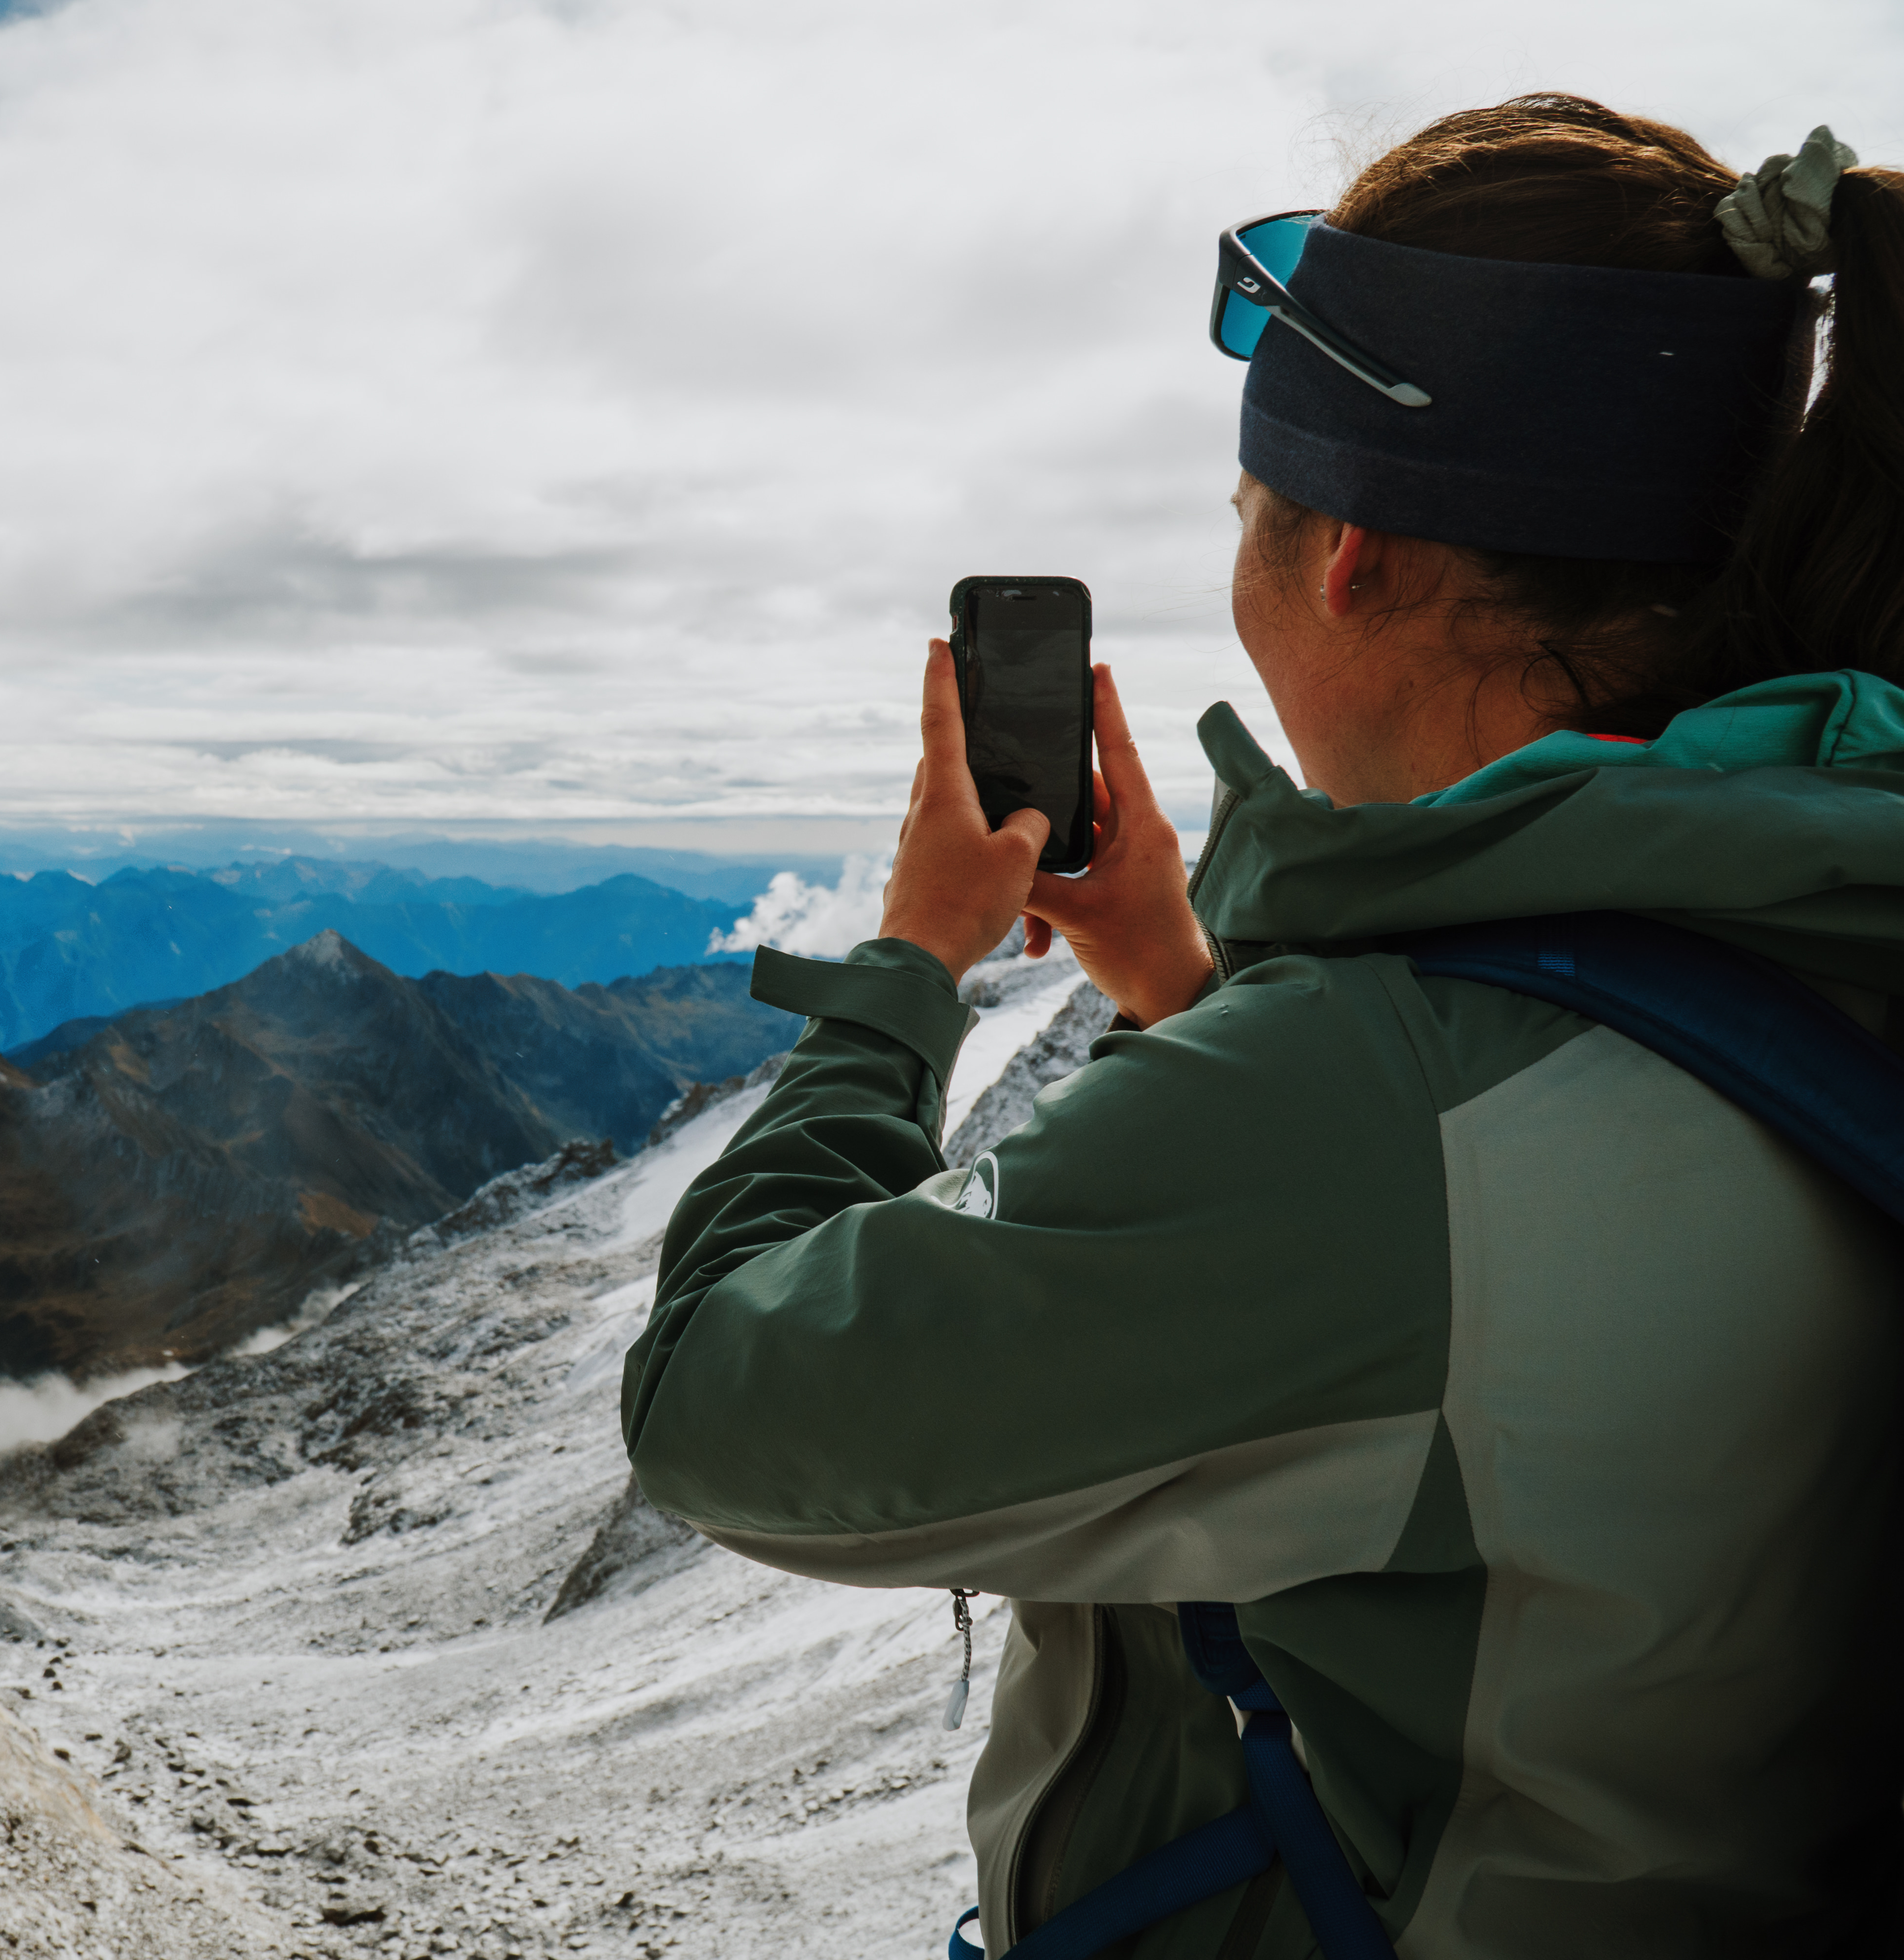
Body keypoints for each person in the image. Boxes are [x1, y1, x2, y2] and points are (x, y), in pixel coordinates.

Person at [620, 96, 1904, 1958]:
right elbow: (1515, 1258)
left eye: (1250, 510)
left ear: (1354, 553)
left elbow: (718, 1410)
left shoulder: (1383, 1115)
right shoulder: (1811, 901)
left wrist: (901, 977)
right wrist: (1185, 991)